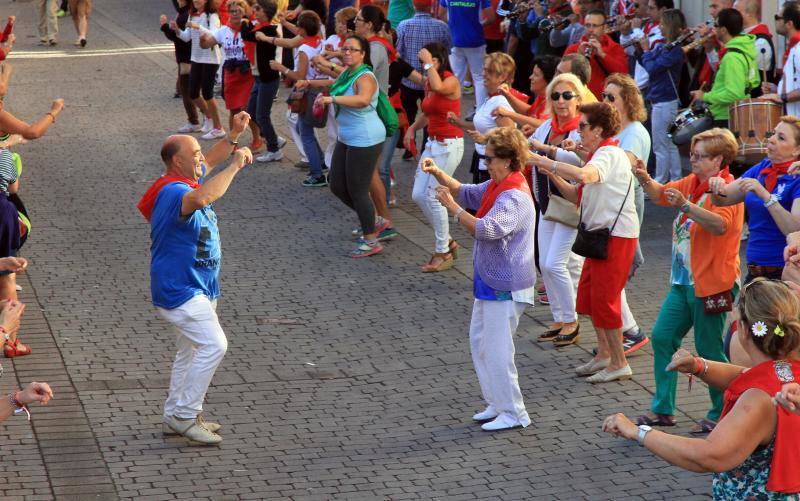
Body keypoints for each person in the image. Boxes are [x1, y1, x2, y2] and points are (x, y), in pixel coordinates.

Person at [602, 278, 800, 499]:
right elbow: (743, 376)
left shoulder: (757, 399)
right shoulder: (788, 372)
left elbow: (709, 455)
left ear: (743, 330)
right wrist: (699, 366)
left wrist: (638, 432)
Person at [137, 112, 254, 446]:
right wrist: (236, 165)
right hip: (181, 290)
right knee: (215, 344)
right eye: (195, 156)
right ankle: (186, 415)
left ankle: (175, 413)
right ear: (177, 162)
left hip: (197, 285)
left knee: (189, 351)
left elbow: (207, 163)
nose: (202, 161)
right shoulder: (176, 192)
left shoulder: (180, 178)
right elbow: (203, 196)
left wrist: (232, 136)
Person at [421, 127, 535, 432]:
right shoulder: (498, 185)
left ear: (509, 160)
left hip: (506, 286)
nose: (485, 162)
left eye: (490, 158)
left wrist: (453, 209)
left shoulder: (514, 196)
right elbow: (465, 190)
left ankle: (514, 412)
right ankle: (497, 404)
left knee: (499, 351)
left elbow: (487, 229)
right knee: (481, 344)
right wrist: (437, 173)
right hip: (491, 282)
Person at [633, 128, 744, 435]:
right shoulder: (694, 183)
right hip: (682, 282)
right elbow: (660, 193)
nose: (692, 160)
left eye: (699, 156)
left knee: (708, 350)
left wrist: (686, 206)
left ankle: (722, 410)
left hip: (713, 283)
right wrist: (644, 177)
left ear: (719, 159)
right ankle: (663, 409)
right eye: (692, 155)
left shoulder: (727, 189)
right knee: (662, 337)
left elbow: (721, 226)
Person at [529, 102, 639, 382]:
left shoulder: (609, 154)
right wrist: (553, 174)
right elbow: (577, 195)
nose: (579, 131)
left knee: (605, 300)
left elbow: (584, 176)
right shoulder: (600, 154)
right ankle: (604, 355)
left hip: (615, 237)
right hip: (600, 236)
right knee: (590, 297)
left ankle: (619, 362)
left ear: (598, 130)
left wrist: (545, 161)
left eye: (583, 126)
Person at [300, 35, 388, 257]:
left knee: (358, 190)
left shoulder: (365, 76)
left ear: (363, 54)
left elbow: (363, 100)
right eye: (345, 49)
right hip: (347, 137)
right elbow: (332, 83)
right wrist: (310, 83)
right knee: (337, 185)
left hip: (365, 138)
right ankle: (372, 220)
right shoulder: (348, 73)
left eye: (352, 49)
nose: (347, 52)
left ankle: (371, 240)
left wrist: (333, 100)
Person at [526, 73, 583, 347]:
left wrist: (544, 152)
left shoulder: (580, 129)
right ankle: (560, 318)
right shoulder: (547, 125)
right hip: (546, 204)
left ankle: (571, 320)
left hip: (570, 205)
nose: (561, 101)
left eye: (567, 96)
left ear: (578, 99)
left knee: (554, 263)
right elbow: (528, 148)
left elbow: (578, 159)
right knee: (544, 264)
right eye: (556, 96)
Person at [709, 116, 800, 282]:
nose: (771, 140)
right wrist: (716, 186)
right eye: (773, 134)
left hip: (785, 271)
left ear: (796, 150)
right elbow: (723, 199)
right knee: (742, 309)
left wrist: (766, 196)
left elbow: (794, 229)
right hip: (754, 269)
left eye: (781, 138)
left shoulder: (797, 178)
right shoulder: (763, 167)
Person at [404, 43, 463, 272]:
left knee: (433, 196)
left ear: (440, 60)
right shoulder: (430, 80)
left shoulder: (450, 80)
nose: (428, 66)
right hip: (433, 143)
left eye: (432, 61)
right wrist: (412, 128)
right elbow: (428, 112)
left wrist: (428, 62)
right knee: (418, 194)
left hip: (449, 145)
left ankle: (442, 250)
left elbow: (439, 87)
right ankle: (447, 240)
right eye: (426, 62)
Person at [603, 73, 650, 354]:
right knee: (610, 273)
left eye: (611, 97)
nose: (605, 101)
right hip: (610, 205)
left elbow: (625, 167)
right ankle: (627, 330)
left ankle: (630, 331)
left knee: (614, 272)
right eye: (603, 95)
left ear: (627, 101)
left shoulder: (634, 132)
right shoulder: (617, 128)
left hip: (625, 206)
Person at [269, 11, 328, 187]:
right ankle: (321, 160)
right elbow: (299, 31)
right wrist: (286, 23)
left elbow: (300, 76)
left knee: (305, 132)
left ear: (302, 29)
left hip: (307, 91)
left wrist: (281, 68)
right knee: (305, 128)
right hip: (322, 88)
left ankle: (317, 173)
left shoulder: (303, 49)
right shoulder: (321, 41)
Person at [447, 52, 515, 184]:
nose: (484, 73)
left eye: (489, 71)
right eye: (484, 69)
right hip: (483, 160)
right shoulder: (490, 98)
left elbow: (510, 133)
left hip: (493, 166)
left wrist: (486, 139)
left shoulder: (500, 102)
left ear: (502, 76)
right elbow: (483, 126)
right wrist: (459, 123)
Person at [199, 0, 262, 142]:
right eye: (232, 11)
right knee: (234, 110)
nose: (235, 14)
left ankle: (257, 139)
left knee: (248, 109)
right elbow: (206, 44)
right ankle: (233, 142)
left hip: (248, 73)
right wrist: (202, 41)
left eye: (238, 11)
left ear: (244, 12)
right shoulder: (223, 30)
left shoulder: (251, 28)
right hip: (231, 74)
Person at [689, 8, 759, 128]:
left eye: (715, 25)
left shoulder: (732, 57)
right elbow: (755, 81)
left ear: (723, 30)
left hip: (725, 117)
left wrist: (705, 96)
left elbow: (734, 94)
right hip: (733, 114)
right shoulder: (745, 49)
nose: (713, 29)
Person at [639, 8, 686, 184]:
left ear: (670, 26)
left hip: (665, 101)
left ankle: (659, 181)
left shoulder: (675, 51)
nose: (660, 26)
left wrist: (645, 51)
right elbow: (648, 61)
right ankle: (675, 179)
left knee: (661, 144)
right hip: (663, 100)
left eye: (663, 23)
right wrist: (646, 54)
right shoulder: (664, 47)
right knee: (669, 143)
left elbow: (651, 68)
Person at [396, 0, 452, 142]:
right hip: (434, 80)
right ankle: (427, 143)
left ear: (414, 6)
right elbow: (448, 52)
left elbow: (398, 53)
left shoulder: (403, 25)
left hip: (408, 80)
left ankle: (409, 143)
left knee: (408, 113)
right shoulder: (442, 26)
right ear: (430, 6)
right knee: (431, 115)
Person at [241, 0, 287, 162]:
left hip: (268, 79)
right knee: (251, 112)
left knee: (262, 115)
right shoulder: (259, 28)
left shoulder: (269, 29)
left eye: (258, 9)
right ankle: (274, 138)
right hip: (258, 78)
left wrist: (243, 20)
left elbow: (245, 34)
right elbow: (248, 33)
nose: (255, 11)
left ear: (266, 12)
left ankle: (274, 150)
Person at [174, 0, 226, 140]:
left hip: (210, 58)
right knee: (193, 92)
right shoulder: (193, 15)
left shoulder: (212, 16)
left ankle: (218, 127)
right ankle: (208, 117)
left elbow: (215, 35)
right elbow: (186, 37)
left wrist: (198, 27)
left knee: (208, 93)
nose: (197, 1)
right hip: (196, 57)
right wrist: (177, 30)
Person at [438, 0, 494, 108]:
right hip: (475, 40)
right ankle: (480, 111)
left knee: (456, 76)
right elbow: (491, 18)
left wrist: (453, 27)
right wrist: (480, 25)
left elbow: (441, 14)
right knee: (479, 77)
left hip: (455, 40)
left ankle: (453, 110)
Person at [562, 9, 628, 99]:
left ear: (604, 28)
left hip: (605, 104)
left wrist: (603, 55)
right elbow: (562, 75)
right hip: (579, 101)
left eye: (595, 26)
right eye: (588, 25)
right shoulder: (573, 49)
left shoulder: (615, 48)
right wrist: (578, 58)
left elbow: (623, 75)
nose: (591, 30)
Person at [161, 2, 201, 134]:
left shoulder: (185, 14)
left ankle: (196, 120)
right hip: (186, 56)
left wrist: (166, 27)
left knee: (188, 91)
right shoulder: (184, 12)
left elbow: (181, 39)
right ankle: (198, 119)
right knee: (188, 91)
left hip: (186, 57)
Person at [493, 55, 558, 131]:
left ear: (548, 80)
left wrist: (508, 114)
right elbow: (529, 112)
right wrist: (507, 95)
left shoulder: (553, 100)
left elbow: (543, 124)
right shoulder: (542, 96)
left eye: (536, 75)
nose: (530, 77)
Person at [759, 1, 800, 116]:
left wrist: (781, 97)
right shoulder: (793, 48)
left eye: (777, 17)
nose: (775, 21)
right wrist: (777, 89)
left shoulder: (798, 49)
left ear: (789, 24)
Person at [735, 0, 775, 87]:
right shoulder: (743, 36)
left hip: (754, 97)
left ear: (749, 13)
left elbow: (739, 72)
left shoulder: (760, 42)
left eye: (736, 12)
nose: (733, 17)